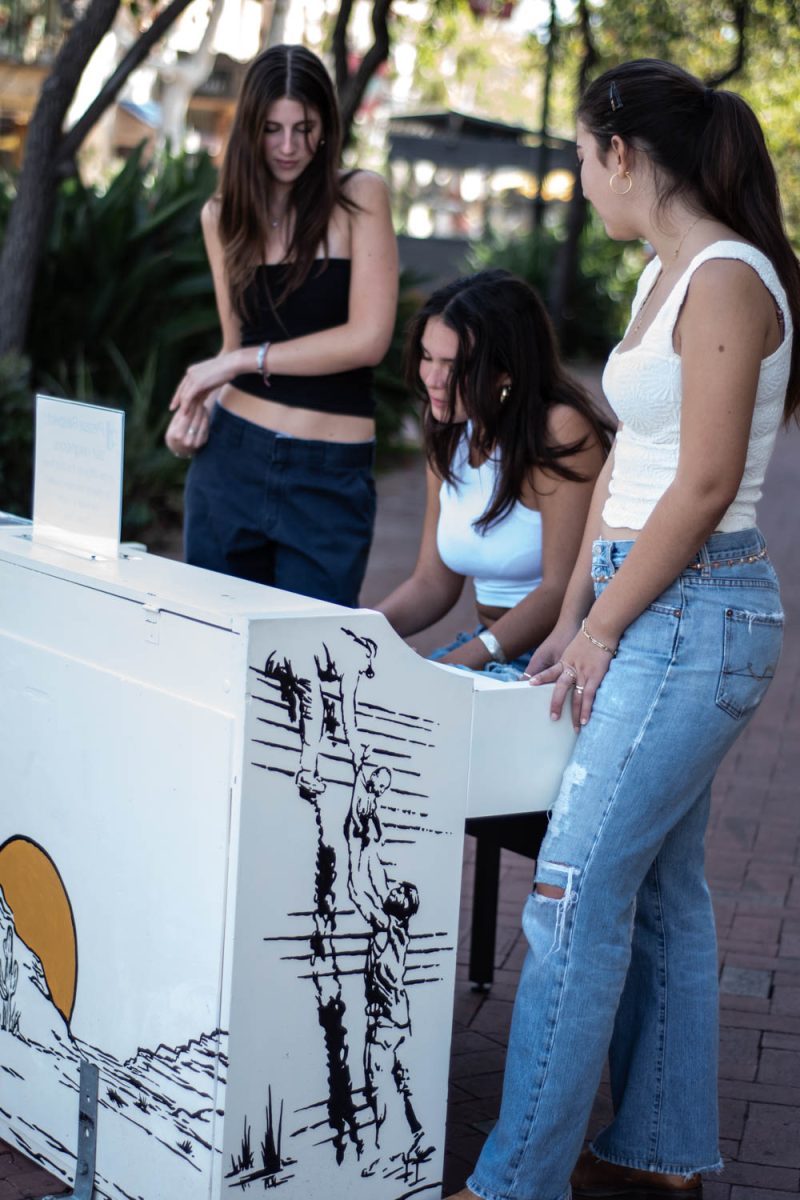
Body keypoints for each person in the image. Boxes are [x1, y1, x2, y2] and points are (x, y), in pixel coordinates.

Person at [449, 60, 799, 1200]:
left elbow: (700, 488)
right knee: (659, 892)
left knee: (568, 890)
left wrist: (601, 625)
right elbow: (623, 468)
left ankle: (516, 1183)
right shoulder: (664, 275)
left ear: (621, 154)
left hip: (694, 612)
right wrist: (581, 611)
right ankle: (655, 1153)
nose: (580, 182)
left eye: (580, 158)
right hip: (645, 600)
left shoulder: (728, 280)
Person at [166, 44, 398, 607]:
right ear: (250, 128)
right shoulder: (222, 217)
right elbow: (231, 343)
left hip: (327, 478)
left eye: (305, 127)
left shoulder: (359, 197)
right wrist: (194, 416)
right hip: (231, 462)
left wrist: (244, 361)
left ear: (326, 127)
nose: (289, 146)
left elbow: (368, 339)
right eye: (273, 129)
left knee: (306, 674)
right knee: (214, 655)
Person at [377, 270, 612, 679]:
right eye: (427, 357)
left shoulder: (558, 429)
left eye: (453, 365)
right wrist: (359, 628)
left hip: (558, 653)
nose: (432, 379)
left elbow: (561, 592)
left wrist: (450, 666)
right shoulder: (449, 429)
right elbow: (433, 583)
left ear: (506, 371)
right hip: (490, 644)